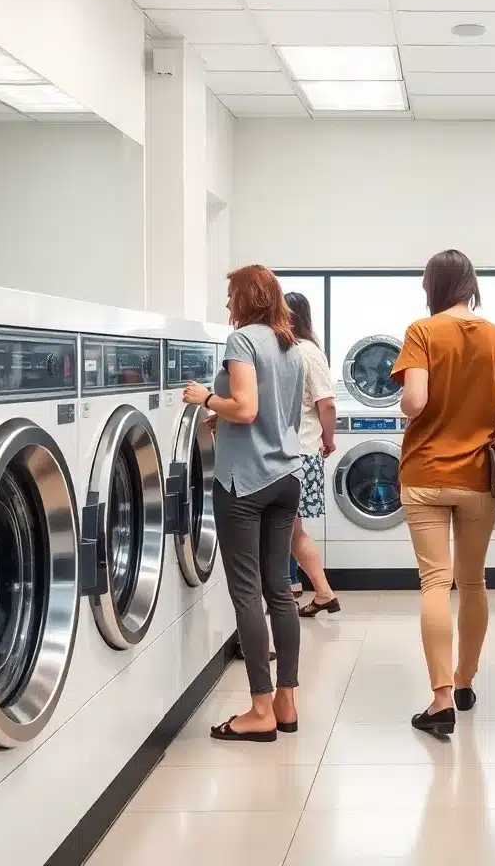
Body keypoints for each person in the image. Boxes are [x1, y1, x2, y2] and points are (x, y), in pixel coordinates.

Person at [391, 249, 495, 737]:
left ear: (432, 286)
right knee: (473, 582)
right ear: (471, 283)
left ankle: (441, 697)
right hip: (477, 477)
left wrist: (413, 403)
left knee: (434, 583)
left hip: (425, 474)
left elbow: (415, 401)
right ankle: (466, 683)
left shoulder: (422, 332)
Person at [183, 265, 305, 742]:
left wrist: (207, 399)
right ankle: (287, 701)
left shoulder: (242, 342)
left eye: (231, 294)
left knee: (246, 593)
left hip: (245, 483)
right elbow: (277, 415)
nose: (227, 302)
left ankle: (259, 710)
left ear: (246, 297)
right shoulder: (289, 344)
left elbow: (248, 407)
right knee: (279, 590)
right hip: (285, 476)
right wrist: (227, 420)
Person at [283, 292, 341, 618]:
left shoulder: (303, 354)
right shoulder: (299, 352)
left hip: (300, 454)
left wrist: (327, 438)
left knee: (289, 532)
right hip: (302, 453)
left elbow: (327, 403)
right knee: (292, 532)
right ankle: (322, 593)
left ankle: (317, 593)